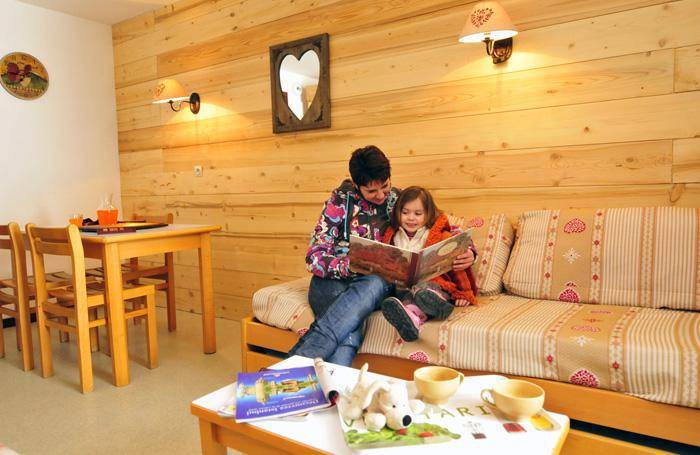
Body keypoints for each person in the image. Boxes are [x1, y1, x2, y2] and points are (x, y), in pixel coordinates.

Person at [287, 146, 476, 366]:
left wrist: (469, 251)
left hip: (373, 284)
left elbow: (440, 225)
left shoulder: (397, 199)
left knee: (372, 285)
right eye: (371, 191)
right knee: (348, 335)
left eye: (384, 186)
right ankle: (319, 384)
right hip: (330, 283)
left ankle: (288, 370)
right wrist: (351, 265)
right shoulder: (339, 203)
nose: (381, 196)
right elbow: (314, 256)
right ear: (356, 185)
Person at [379, 186, 477, 342]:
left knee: (424, 290)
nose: (411, 218)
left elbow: (458, 265)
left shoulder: (438, 235)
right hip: (403, 288)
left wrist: (464, 293)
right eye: (405, 212)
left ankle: (435, 301)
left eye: (418, 214)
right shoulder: (392, 236)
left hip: (435, 286)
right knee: (409, 297)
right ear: (398, 212)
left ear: (428, 214)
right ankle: (412, 319)